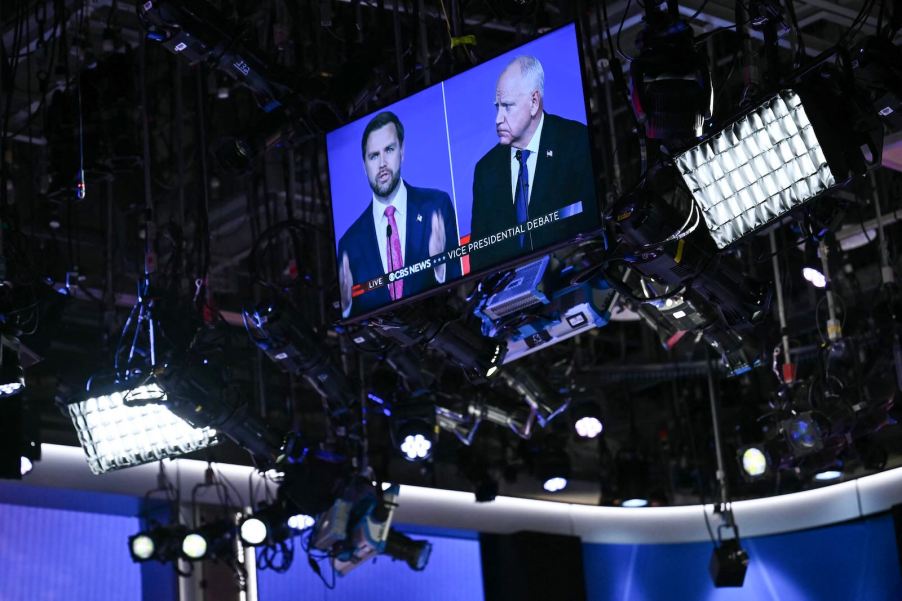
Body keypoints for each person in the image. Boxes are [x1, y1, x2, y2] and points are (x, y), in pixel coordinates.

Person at [469, 55, 597, 273]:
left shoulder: (575, 141)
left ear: (534, 102)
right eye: (497, 107)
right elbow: (480, 257)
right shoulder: (485, 170)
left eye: (507, 106)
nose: (498, 118)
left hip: (574, 275)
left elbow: (590, 223)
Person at [337, 111, 461, 318]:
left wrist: (440, 267)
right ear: (364, 165)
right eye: (374, 156)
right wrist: (347, 304)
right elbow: (359, 319)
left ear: (402, 152)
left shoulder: (435, 206)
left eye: (389, 150)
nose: (382, 163)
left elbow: (463, 287)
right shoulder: (349, 244)